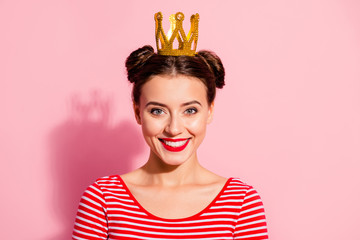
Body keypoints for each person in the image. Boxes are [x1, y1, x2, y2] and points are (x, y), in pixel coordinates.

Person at [72, 12, 268, 240]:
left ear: (210, 111)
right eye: (158, 111)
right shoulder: (102, 200)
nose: (174, 128)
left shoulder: (241, 203)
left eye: (190, 110)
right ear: (137, 112)